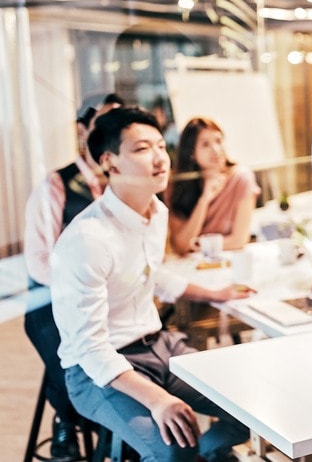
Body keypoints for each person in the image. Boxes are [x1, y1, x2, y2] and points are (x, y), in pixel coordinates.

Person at [49, 107, 254, 461]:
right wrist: (159, 399)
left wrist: (213, 293)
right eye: (143, 149)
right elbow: (91, 350)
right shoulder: (87, 239)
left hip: (158, 346)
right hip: (98, 370)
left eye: (161, 146)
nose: (160, 158)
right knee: (175, 449)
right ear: (110, 163)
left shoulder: (156, 212)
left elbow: (149, 273)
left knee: (249, 408)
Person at [22, 92, 124, 459]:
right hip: (51, 304)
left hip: (107, 299)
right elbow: (37, 261)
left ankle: (116, 437)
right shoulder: (56, 184)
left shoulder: (123, 185)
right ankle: (66, 421)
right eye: (105, 123)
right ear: (83, 131)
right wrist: (87, 281)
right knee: (75, 356)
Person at [166, 117, 260, 255]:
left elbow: (239, 240)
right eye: (205, 144)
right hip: (192, 266)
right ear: (191, 153)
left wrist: (199, 244)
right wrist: (204, 200)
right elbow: (181, 246)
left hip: (229, 261)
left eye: (218, 141)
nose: (216, 150)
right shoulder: (177, 185)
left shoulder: (241, 178)